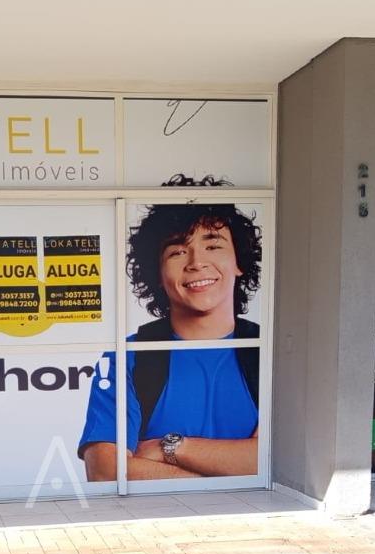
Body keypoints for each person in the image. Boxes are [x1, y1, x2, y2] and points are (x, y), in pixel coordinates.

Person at [79, 176, 262, 480]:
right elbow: (105, 470)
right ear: (158, 272)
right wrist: (231, 470)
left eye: (213, 245)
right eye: (177, 251)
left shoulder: (271, 354)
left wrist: (170, 448)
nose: (196, 262)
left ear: (238, 261)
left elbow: (278, 461)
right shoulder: (127, 358)